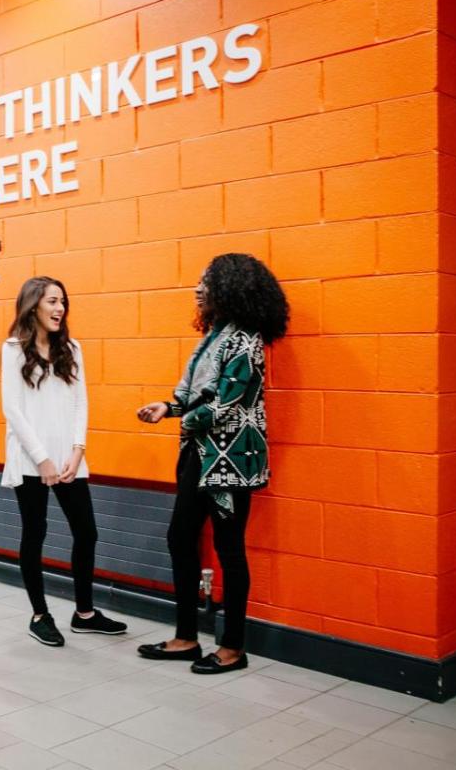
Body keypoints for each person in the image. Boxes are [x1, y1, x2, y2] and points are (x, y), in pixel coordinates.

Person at [135, 253, 288, 674]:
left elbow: (225, 404)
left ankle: (233, 648)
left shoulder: (247, 340)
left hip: (229, 464)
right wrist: (166, 407)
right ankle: (186, 638)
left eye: (206, 282)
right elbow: (193, 395)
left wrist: (182, 417)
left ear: (229, 288)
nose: (197, 289)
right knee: (180, 538)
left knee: (228, 548)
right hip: (200, 456)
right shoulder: (217, 335)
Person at [1, 277, 126, 646]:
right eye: (52, 301)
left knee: (86, 531)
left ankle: (84, 614)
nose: (60, 309)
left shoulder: (72, 348)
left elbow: (80, 402)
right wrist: (41, 459)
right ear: (33, 305)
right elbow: (12, 408)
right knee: (34, 534)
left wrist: (77, 449)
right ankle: (40, 615)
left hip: (69, 459)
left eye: (63, 302)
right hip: (29, 459)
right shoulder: (13, 349)